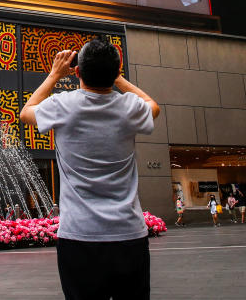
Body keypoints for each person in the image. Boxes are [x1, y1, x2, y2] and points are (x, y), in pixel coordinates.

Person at [20, 41, 160, 300]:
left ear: (77, 72)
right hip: (129, 235)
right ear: (116, 71)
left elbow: (26, 112)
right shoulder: (130, 107)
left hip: (79, 236)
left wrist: (53, 75)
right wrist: (119, 80)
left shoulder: (63, 106)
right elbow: (153, 106)